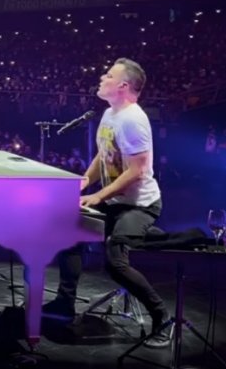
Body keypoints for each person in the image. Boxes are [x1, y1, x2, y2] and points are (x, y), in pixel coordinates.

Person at [43, 58, 170, 348]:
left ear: (123, 85)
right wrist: (86, 180)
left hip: (139, 205)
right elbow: (104, 153)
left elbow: (137, 172)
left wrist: (98, 196)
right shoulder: (110, 114)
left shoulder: (133, 119)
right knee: (67, 231)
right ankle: (64, 304)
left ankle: (161, 317)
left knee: (115, 263)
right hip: (114, 201)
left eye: (109, 75)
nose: (102, 77)